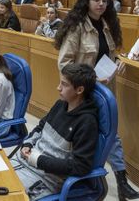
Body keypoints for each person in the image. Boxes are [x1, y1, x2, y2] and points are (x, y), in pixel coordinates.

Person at [54, 0, 139, 200]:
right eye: (97, 0)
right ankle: (109, 181)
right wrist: (90, 77)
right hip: (82, 91)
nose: (101, 4)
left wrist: (119, 61)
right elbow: (64, 63)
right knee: (87, 133)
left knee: (110, 134)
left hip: (104, 91)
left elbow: (109, 54)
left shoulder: (106, 24)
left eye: (105, 0)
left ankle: (120, 183)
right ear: (87, 1)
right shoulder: (77, 27)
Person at [11, 63, 99, 200]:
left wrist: (39, 160)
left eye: (64, 84)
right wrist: (27, 144)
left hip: (45, 178)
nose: (58, 88)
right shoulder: (60, 105)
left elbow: (81, 166)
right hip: (25, 162)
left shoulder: (87, 122)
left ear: (80, 90)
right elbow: (40, 127)